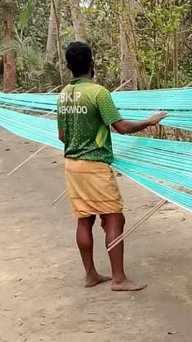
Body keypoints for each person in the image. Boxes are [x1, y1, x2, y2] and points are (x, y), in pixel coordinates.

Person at [57, 41, 167, 292]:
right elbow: (122, 127)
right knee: (115, 220)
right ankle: (119, 279)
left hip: (72, 165)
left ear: (68, 66)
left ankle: (90, 275)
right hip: (95, 166)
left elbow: (62, 135)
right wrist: (149, 121)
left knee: (84, 220)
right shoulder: (98, 93)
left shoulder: (64, 95)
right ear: (92, 63)